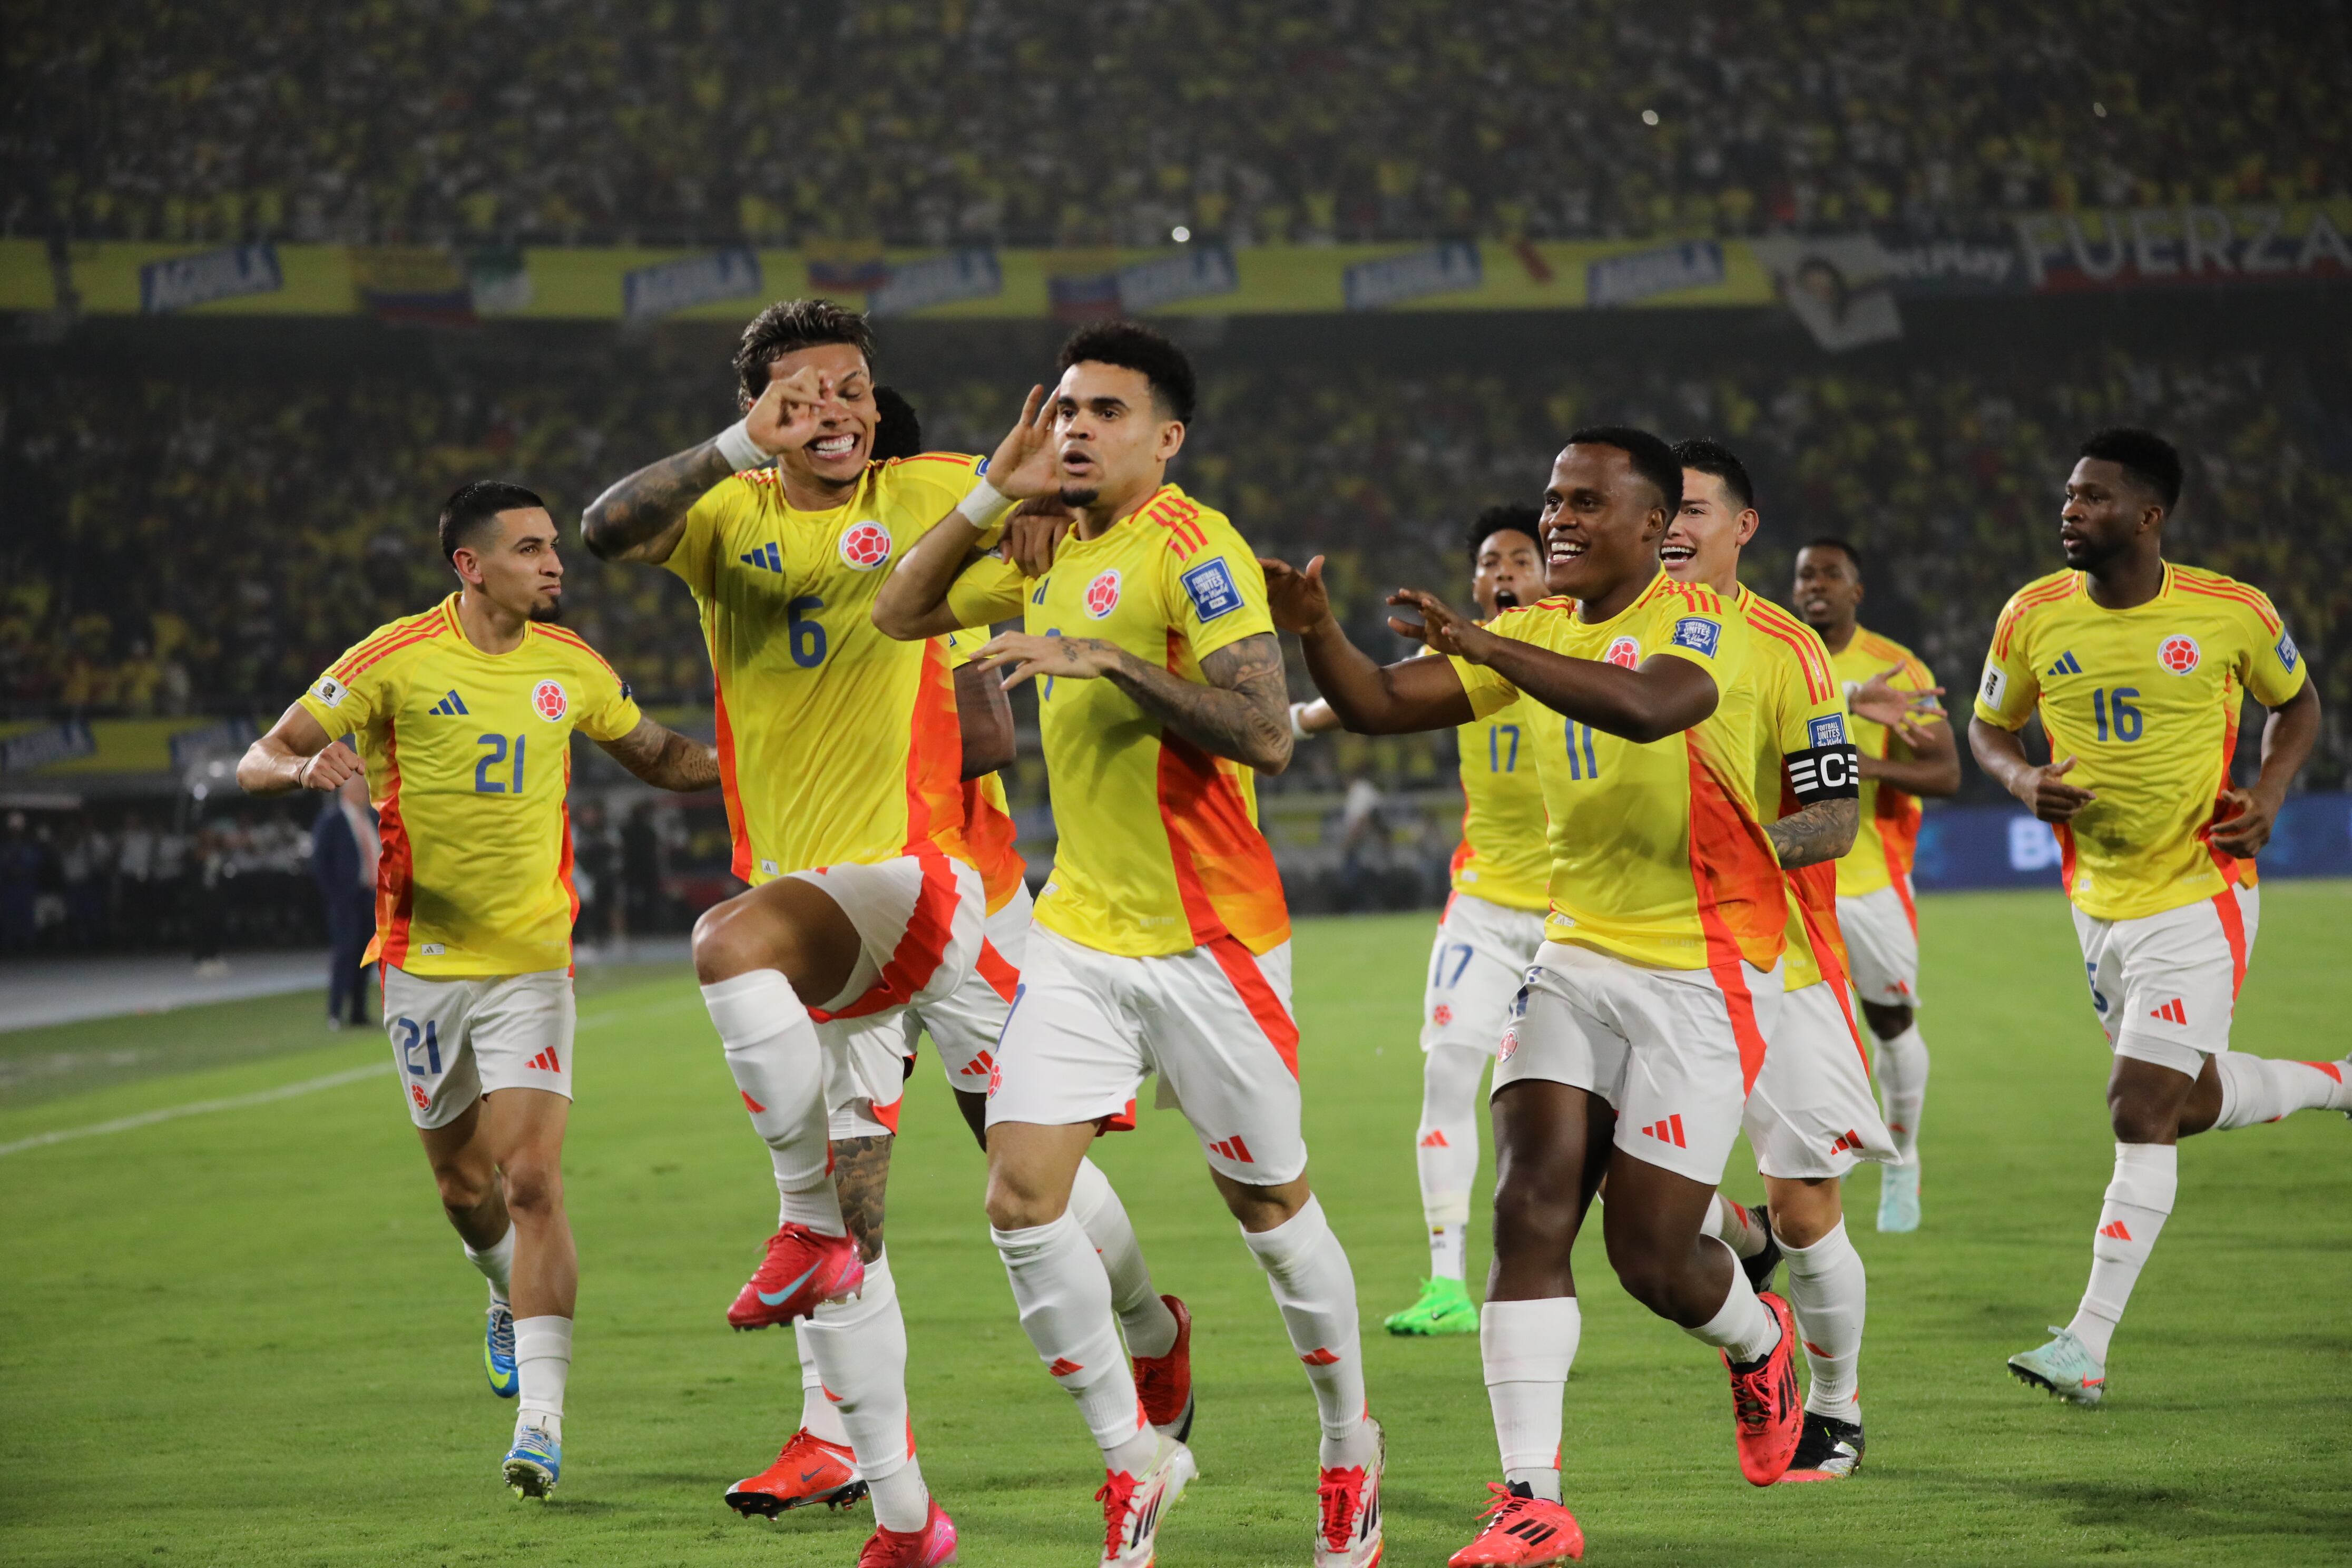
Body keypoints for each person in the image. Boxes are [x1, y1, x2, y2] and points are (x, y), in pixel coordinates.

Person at [582, 300, 1174, 1565]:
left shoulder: (933, 487)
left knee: (1017, 1164)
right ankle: (869, 1470)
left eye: (851, 387)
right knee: (857, 1209)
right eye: (803, 393)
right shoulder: (727, 514)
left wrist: (1035, 528)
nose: (833, 410)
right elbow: (605, 527)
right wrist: (735, 447)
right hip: (813, 901)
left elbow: (1050, 519)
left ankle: (1146, 1326)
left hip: (945, 884)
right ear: (758, 408)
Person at [873, 321, 1386, 1568]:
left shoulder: (1191, 548)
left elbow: (1263, 732)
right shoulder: (1042, 544)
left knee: (1265, 1202)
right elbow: (899, 608)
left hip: (1211, 945)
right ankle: (1133, 1460)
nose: (1076, 431)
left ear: (1166, 436)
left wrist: (1105, 659)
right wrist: (994, 489)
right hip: (1079, 939)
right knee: (1016, 1196)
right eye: (1063, 412)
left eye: (1104, 412)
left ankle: (1346, 1447)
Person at [1266, 426, 1812, 1563]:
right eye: (1552, 499)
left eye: (1583, 503)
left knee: (1653, 1259)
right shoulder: (1527, 631)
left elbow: (1654, 706)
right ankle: (1533, 1499)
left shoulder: (1698, 621)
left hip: (1701, 969)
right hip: (1571, 954)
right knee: (1528, 1203)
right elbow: (1375, 703)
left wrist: (1492, 650)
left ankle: (1760, 1343)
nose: (1555, 518)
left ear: (1657, 530)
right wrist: (1319, 636)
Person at [236, 481, 720, 1498]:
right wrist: (300, 770)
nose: (555, 564)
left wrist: (753, 762)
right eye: (534, 549)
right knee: (466, 1191)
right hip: (420, 968)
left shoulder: (571, 663)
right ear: (471, 565)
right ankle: (500, 1290)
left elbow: (658, 755)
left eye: (555, 548)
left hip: (533, 967)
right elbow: (257, 757)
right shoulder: (393, 659)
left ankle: (541, 1425)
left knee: (533, 1181)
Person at [1970, 427, 2344, 1405]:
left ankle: (2083, 1347)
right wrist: (2017, 777)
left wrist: (2266, 793)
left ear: (2146, 516)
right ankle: (2336, 1083)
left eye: (2090, 498)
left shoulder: (2228, 611)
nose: (2068, 511)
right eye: (2065, 495)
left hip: (2198, 891)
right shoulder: (2029, 615)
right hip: (2094, 899)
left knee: (2136, 1107)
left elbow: (2297, 705)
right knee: (2177, 1101)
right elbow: (1987, 724)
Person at [1663, 439, 1884, 1482]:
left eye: (1694, 509)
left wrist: (1733, 850)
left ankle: (1835, 1409)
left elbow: (1835, 818)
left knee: (1807, 1215)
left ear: (1741, 527)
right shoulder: (1601, 634)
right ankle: (1738, 1246)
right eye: (1660, 507)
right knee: (1598, 1171)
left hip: (1777, 963)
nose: (1673, 525)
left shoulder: (1787, 650)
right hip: (1641, 962)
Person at [1291, 505, 1551, 1336]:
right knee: (1446, 1077)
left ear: (1551, 574)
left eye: (1521, 558)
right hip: (1481, 906)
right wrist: (1292, 721)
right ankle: (1447, 1283)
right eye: (1489, 561)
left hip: (1576, 917)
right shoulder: (1460, 657)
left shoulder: (1584, 650)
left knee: (1580, 1116)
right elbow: (1377, 696)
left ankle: (1716, 1239)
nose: (1504, 573)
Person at [1790, 537, 1961, 1231]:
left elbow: (1947, 775)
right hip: (1799, 881)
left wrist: (1865, 767)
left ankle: (1904, 1159)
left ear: (1857, 591)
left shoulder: (1897, 667)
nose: (1815, 585)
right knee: (1793, 1030)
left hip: (1871, 881)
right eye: (1804, 574)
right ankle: (1812, 1178)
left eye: (1830, 574)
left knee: (1891, 1024)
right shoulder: (1780, 654)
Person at [310, 771, 380, 1027]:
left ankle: (359, 1012)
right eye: (362, 789)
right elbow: (320, 861)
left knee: (366, 954)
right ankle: (335, 1012)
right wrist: (335, 894)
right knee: (345, 953)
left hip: (370, 897)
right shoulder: (333, 821)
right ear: (348, 792)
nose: (366, 794)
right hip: (346, 899)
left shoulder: (371, 818)